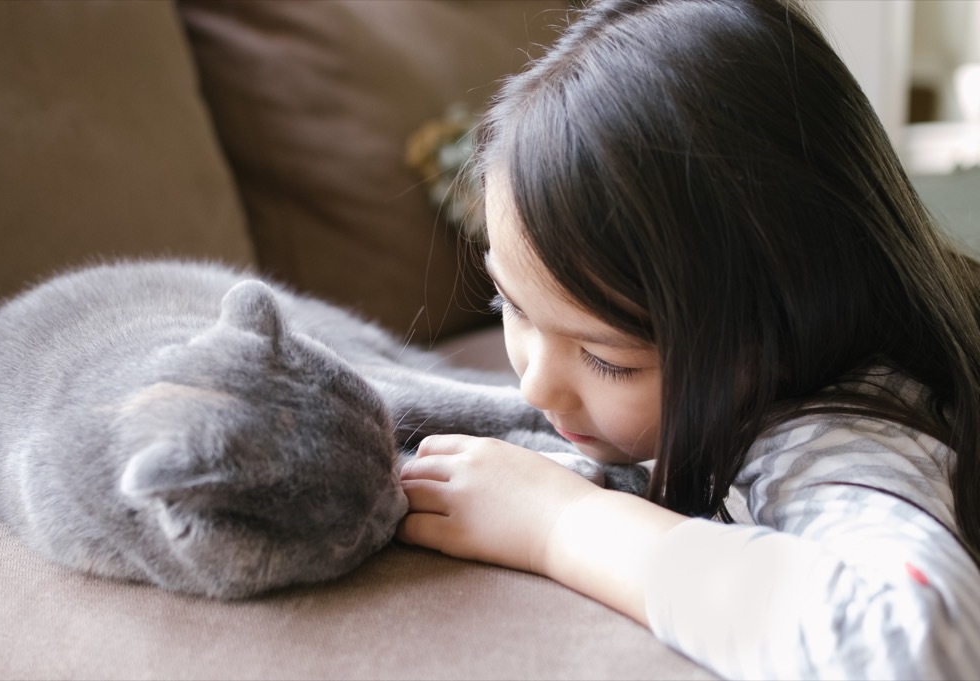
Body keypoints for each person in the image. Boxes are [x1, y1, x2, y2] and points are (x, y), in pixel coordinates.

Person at [395, 0, 980, 678]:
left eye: (606, 359)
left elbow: (911, 644)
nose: (533, 384)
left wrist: (561, 524)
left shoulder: (847, 433)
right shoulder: (783, 372)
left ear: (777, 330)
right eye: (510, 303)